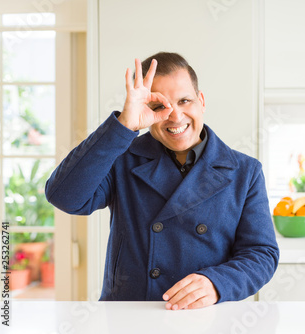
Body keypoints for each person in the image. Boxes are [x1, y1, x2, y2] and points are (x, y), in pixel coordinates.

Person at [45, 52, 279, 310]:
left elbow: (261, 254)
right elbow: (64, 197)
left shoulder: (244, 171)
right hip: (129, 317)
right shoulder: (121, 158)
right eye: (159, 107)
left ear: (201, 101)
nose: (175, 116)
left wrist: (216, 283)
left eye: (185, 101)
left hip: (206, 318)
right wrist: (123, 125)